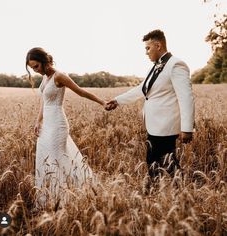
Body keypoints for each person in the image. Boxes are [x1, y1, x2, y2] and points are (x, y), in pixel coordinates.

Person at [106, 29, 195, 180]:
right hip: (154, 125)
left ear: (158, 45)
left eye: (148, 48)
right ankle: (166, 192)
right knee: (158, 162)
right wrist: (117, 100)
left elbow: (186, 98)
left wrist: (187, 128)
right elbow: (142, 89)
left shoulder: (176, 65)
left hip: (166, 126)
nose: (146, 52)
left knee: (162, 163)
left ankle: (171, 193)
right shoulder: (155, 66)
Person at [26, 47, 106, 207]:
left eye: (36, 66)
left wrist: (102, 102)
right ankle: (51, 198)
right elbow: (43, 102)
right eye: (32, 68)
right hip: (46, 125)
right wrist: (37, 121)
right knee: (46, 160)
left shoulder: (59, 76)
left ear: (44, 62)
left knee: (58, 158)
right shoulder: (44, 78)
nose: (35, 71)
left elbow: (81, 92)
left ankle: (69, 198)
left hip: (58, 125)